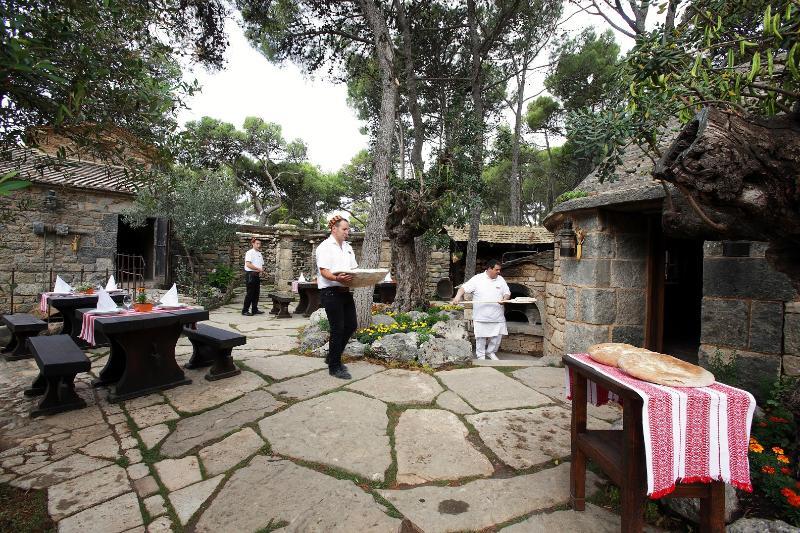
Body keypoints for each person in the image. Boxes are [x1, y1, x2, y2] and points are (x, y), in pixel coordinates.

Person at [316, 215, 357, 379]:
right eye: (344, 229)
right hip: (330, 292)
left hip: (345, 292)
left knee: (351, 325)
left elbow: (353, 269)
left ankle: (331, 357)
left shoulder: (348, 247)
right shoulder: (325, 247)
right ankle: (334, 367)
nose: (347, 232)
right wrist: (337, 279)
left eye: (348, 229)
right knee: (337, 329)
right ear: (334, 229)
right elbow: (324, 271)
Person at [451, 258, 511, 360]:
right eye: (496, 270)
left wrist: (504, 299)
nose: (499, 272)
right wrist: (457, 297)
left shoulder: (500, 279)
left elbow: (507, 293)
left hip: (497, 315)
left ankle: (491, 352)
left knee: (497, 337)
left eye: (499, 270)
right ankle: (481, 355)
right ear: (489, 269)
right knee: (481, 337)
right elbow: (463, 288)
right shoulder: (477, 279)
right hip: (481, 315)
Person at [242, 237, 265, 316]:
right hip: (250, 275)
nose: (259, 245)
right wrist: (258, 269)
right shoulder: (249, 252)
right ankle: (245, 310)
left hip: (256, 275)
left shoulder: (259, 253)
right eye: (257, 244)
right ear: (253, 244)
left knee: (256, 293)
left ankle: (254, 309)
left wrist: (261, 271)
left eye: (260, 244)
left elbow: (261, 264)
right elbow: (248, 264)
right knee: (250, 293)